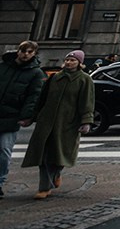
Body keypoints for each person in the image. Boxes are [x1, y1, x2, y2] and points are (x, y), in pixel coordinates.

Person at [21, 49, 94, 200]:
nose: (69, 62)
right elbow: (42, 99)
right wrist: (31, 117)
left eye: (73, 60)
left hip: (67, 123)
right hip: (46, 122)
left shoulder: (84, 79)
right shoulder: (55, 77)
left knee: (60, 154)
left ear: (80, 63)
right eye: (67, 59)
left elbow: (87, 102)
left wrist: (86, 121)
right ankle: (44, 187)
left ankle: (56, 174)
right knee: (44, 155)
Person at [1, 41, 47, 199]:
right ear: (18, 51)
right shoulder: (4, 67)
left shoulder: (36, 73)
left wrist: (26, 116)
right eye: (23, 51)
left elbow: (34, 97)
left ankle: (0, 182)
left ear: (34, 54)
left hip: (11, 117)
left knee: (3, 151)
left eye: (29, 52)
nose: (25, 54)